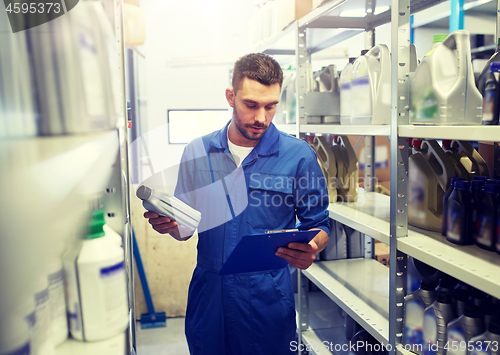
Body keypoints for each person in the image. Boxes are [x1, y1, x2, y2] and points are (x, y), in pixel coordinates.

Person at [144, 53, 330, 355]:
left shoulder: (298, 156)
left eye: (271, 106)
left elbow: (319, 225)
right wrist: (172, 226)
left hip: (268, 300)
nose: (262, 118)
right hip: (210, 297)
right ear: (231, 97)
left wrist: (311, 249)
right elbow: (185, 229)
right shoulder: (199, 151)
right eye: (251, 105)